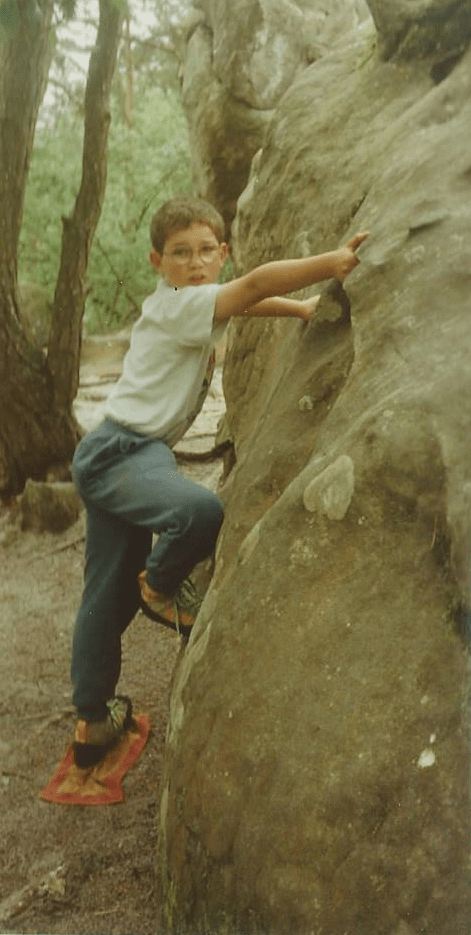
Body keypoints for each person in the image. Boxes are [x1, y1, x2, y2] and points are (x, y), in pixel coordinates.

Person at [71, 194, 368, 766]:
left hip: (130, 450)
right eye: (180, 253)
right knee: (200, 513)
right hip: (119, 453)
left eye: (207, 250)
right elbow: (250, 287)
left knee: (103, 598)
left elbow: (244, 303)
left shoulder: (190, 303)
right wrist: (330, 265)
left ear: (222, 252)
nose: (196, 262)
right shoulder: (177, 303)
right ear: (158, 262)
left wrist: (302, 311)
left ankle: (91, 723)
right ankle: (159, 588)